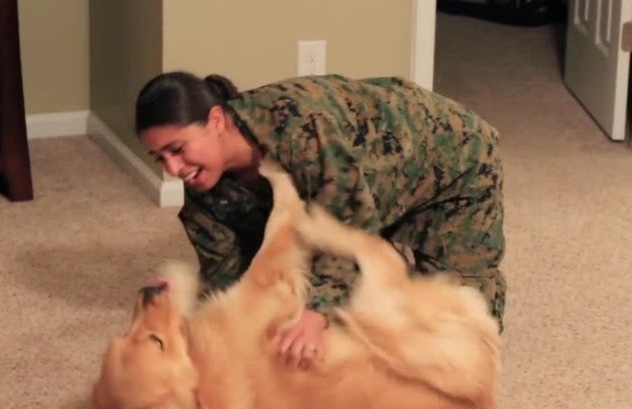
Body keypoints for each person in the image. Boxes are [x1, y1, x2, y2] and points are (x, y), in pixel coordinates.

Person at [134, 70, 506, 366]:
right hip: (365, 187)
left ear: (216, 120)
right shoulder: (203, 190)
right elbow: (233, 279)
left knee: (461, 337)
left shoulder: (300, 128)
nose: (172, 168)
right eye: (159, 158)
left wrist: (317, 313)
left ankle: (402, 257)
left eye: (177, 149)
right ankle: (386, 258)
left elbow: (347, 229)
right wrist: (189, 308)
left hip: (446, 160)